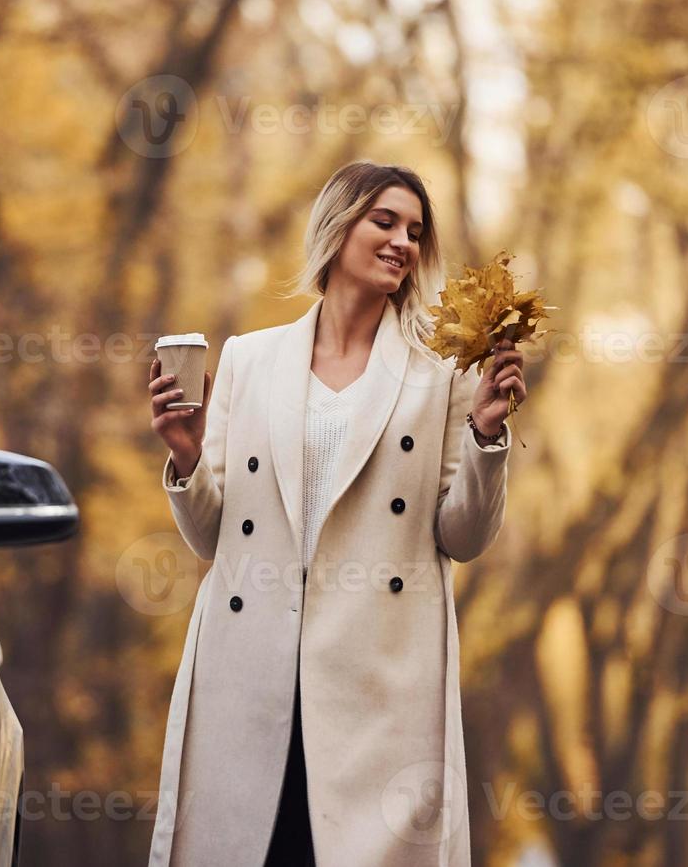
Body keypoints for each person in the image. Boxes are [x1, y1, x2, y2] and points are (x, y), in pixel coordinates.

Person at [146, 160, 526, 866]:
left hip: (377, 683)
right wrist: (187, 457)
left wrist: (485, 436)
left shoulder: (438, 375)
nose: (403, 242)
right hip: (250, 680)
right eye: (384, 221)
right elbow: (211, 539)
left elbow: (462, 537)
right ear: (337, 227)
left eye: (415, 231)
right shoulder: (249, 361)